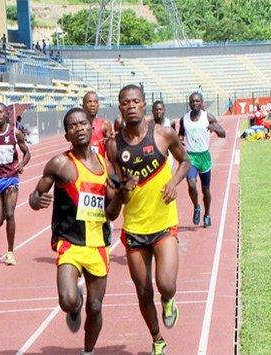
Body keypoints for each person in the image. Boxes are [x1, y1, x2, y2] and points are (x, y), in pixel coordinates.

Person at [29, 108, 123, 355]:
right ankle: (74, 302)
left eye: (83, 123)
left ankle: (88, 351)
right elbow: (36, 194)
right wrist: (35, 200)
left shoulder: (105, 167)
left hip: (99, 244)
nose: (79, 128)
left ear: (92, 129)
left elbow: (112, 214)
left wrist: (120, 195)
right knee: (68, 301)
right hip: (69, 242)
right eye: (73, 125)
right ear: (66, 135)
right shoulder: (60, 164)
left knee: (95, 307)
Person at [107, 84, 191, 355]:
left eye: (135, 101)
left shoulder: (163, 134)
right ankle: (157, 339)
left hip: (164, 222)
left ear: (144, 105)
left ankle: (168, 299)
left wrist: (175, 182)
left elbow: (186, 161)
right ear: (119, 107)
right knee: (143, 290)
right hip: (134, 227)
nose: (130, 105)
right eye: (125, 102)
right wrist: (122, 189)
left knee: (165, 284)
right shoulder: (113, 146)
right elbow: (115, 194)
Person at [0, 102, 31, 265]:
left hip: (11, 178)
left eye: (1, 112)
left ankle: (10, 252)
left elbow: (27, 153)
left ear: (7, 115)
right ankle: (1, 205)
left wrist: (22, 164)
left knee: (10, 214)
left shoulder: (15, 132)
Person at [178, 92, 226, 228]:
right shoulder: (184, 119)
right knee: (191, 184)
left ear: (202, 102)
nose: (195, 104)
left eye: (197, 101)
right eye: (192, 101)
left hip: (204, 156)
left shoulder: (208, 117)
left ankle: (207, 214)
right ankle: (197, 207)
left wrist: (215, 129)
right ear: (189, 103)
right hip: (191, 157)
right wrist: (180, 140)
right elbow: (180, 134)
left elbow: (223, 134)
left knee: (206, 190)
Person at [82, 90, 114, 158]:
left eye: (95, 102)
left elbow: (111, 149)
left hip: (100, 166)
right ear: (83, 106)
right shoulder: (79, 127)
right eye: (89, 102)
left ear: (98, 105)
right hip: (83, 167)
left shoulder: (105, 125)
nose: (92, 104)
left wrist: (110, 140)